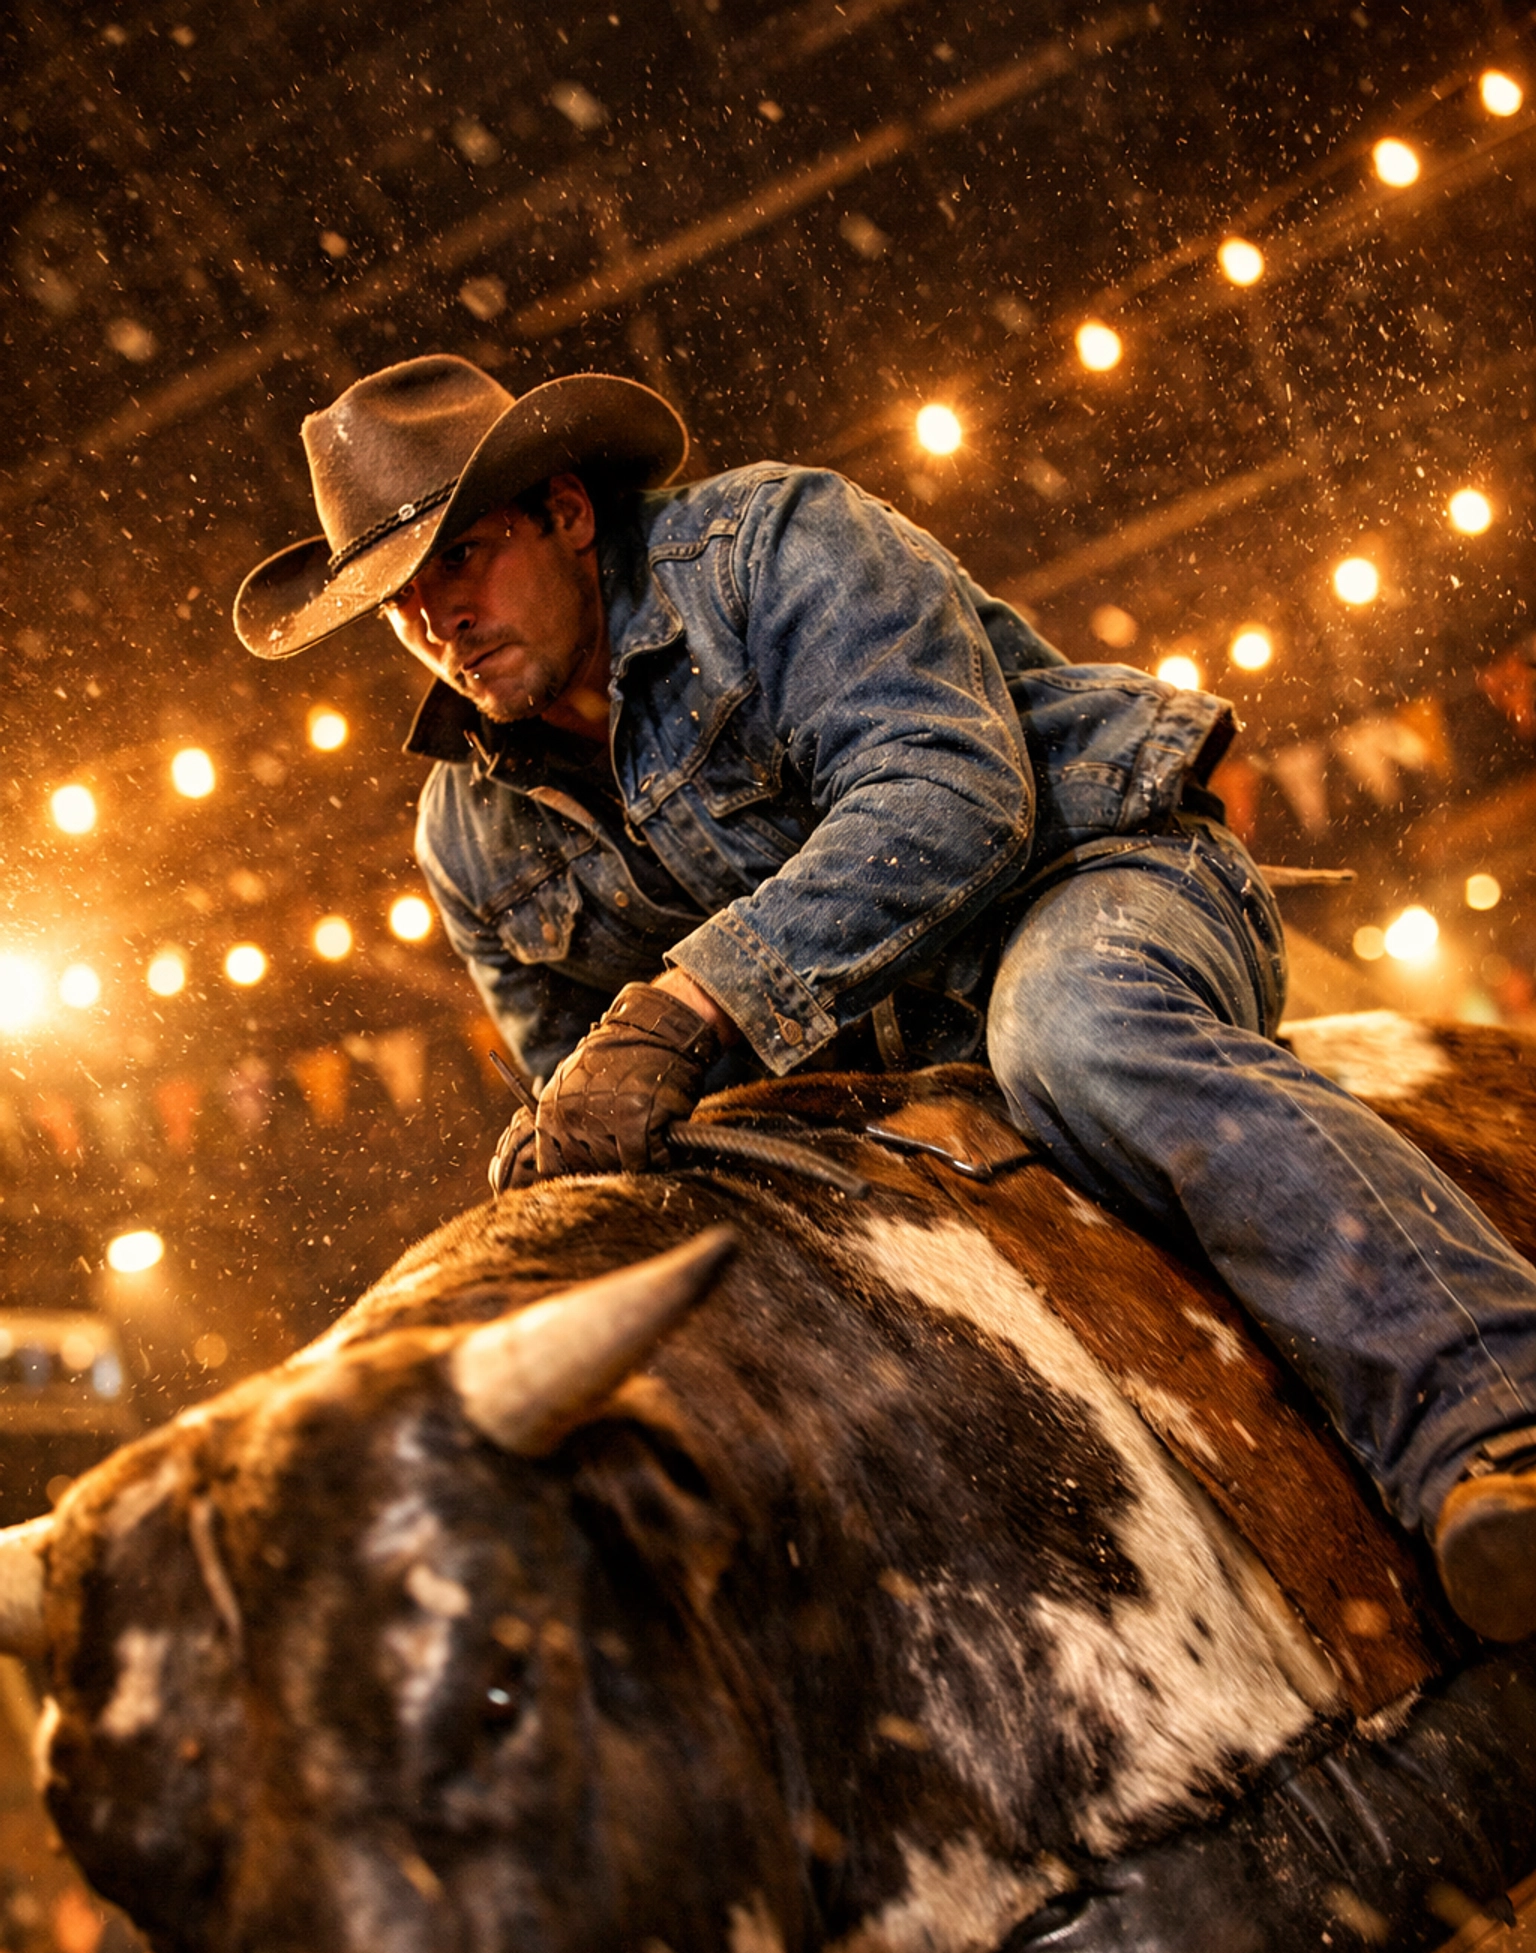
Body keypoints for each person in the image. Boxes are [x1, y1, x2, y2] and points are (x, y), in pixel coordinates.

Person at [236, 354, 1536, 1642]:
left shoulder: (771, 544)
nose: (435, 622)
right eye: (400, 602)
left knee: (1079, 1038)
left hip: (1090, 883)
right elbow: (596, 1104)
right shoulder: (463, 839)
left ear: (568, 514)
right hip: (867, 1090)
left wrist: (686, 1008)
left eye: (458, 560)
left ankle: (1500, 1414)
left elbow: (953, 791)